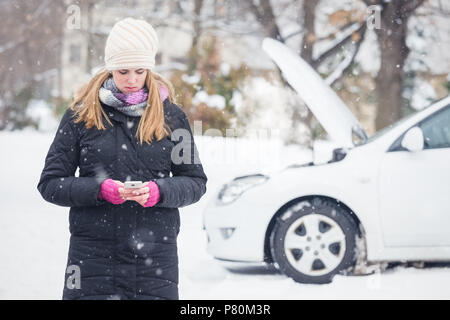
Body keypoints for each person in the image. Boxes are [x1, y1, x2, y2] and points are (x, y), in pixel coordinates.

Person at [37, 17, 208, 300]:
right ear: (109, 68)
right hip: (92, 258)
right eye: (122, 71)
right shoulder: (81, 116)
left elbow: (195, 181)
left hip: (155, 260)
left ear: (149, 69)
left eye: (139, 71)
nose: (131, 80)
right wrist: (98, 190)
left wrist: (159, 192)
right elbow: (50, 183)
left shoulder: (173, 117)